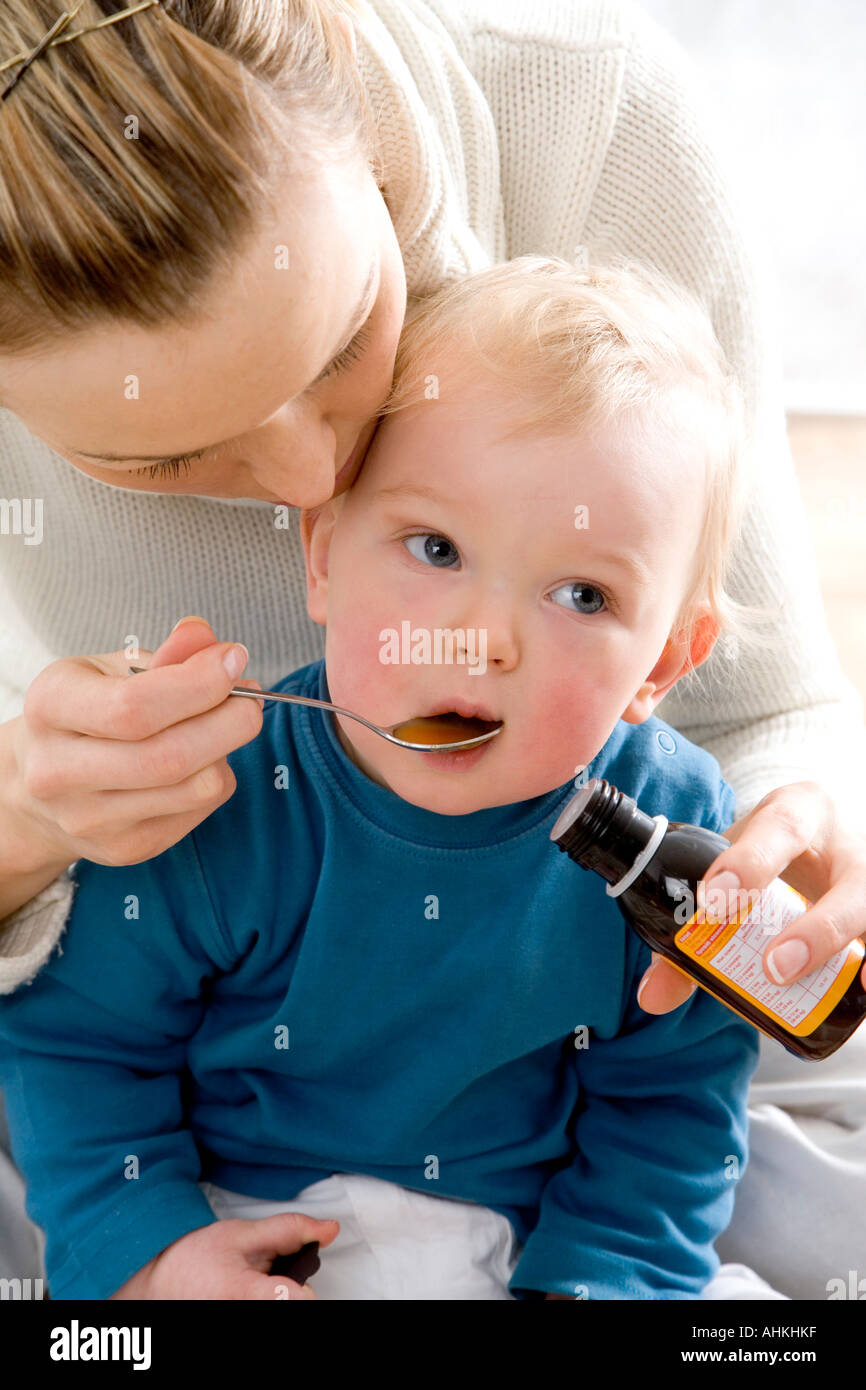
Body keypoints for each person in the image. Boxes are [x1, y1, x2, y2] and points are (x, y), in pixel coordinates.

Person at [0, 0, 863, 1297]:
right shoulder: (227, 816)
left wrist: (806, 826)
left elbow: (669, 1115)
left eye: (346, 339)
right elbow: (82, 1045)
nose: (311, 478)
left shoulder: (593, 105)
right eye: (161, 455)